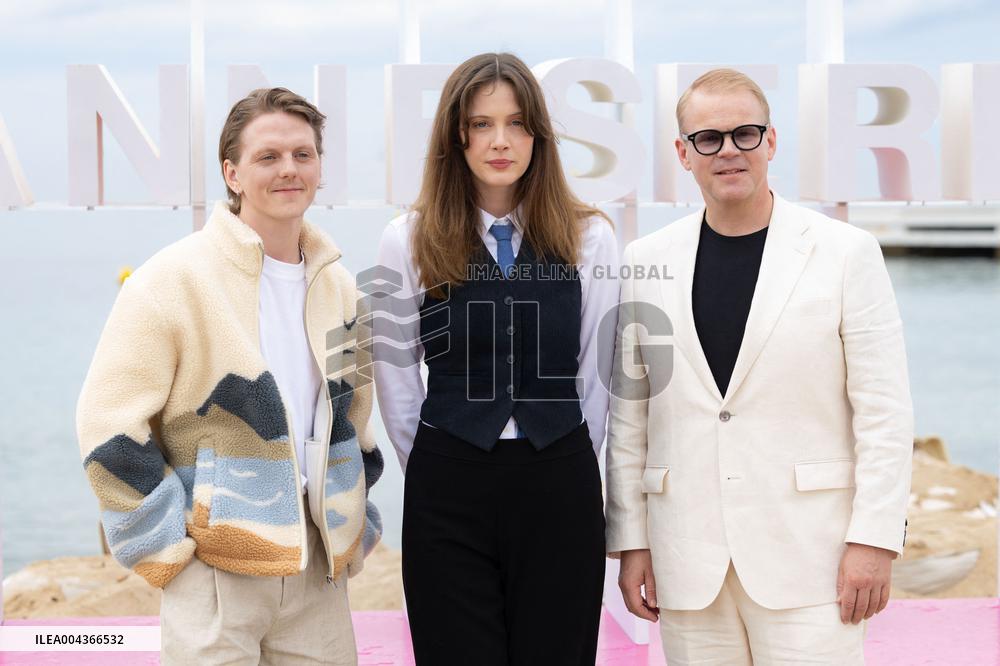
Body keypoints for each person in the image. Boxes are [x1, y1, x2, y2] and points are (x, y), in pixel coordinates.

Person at [605, 68, 913, 665]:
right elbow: (630, 420)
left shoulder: (846, 252)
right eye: (708, 138)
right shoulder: (645, 260)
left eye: (745, 134)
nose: (728, 151)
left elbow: (885, 412)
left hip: (813, 562)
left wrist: (874, 539)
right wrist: (632, 541)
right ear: (683, 153)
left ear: (771, 142)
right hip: (687, 562)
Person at [77, 87, 383, 665]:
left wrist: (353, 526)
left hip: (318, 572)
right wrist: (168, 554)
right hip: (214, 574)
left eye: (302, 154)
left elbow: (356, 421)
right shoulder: (171, 280)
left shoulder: (342, 289)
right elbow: (107, 424)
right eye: (268, 157)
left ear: (319, 167)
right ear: (233, 173)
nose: (288, 169)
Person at [373, 52, 619, 665]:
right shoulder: (409, 237)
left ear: (539, 133)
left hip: (558, 481)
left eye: (516, 123)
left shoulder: (590, 237)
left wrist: (564, 459)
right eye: (481, 124)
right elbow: (396, 376)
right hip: (448, 485)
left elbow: (596, 373)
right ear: (456, 137)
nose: (500, 141)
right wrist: (439, 462)